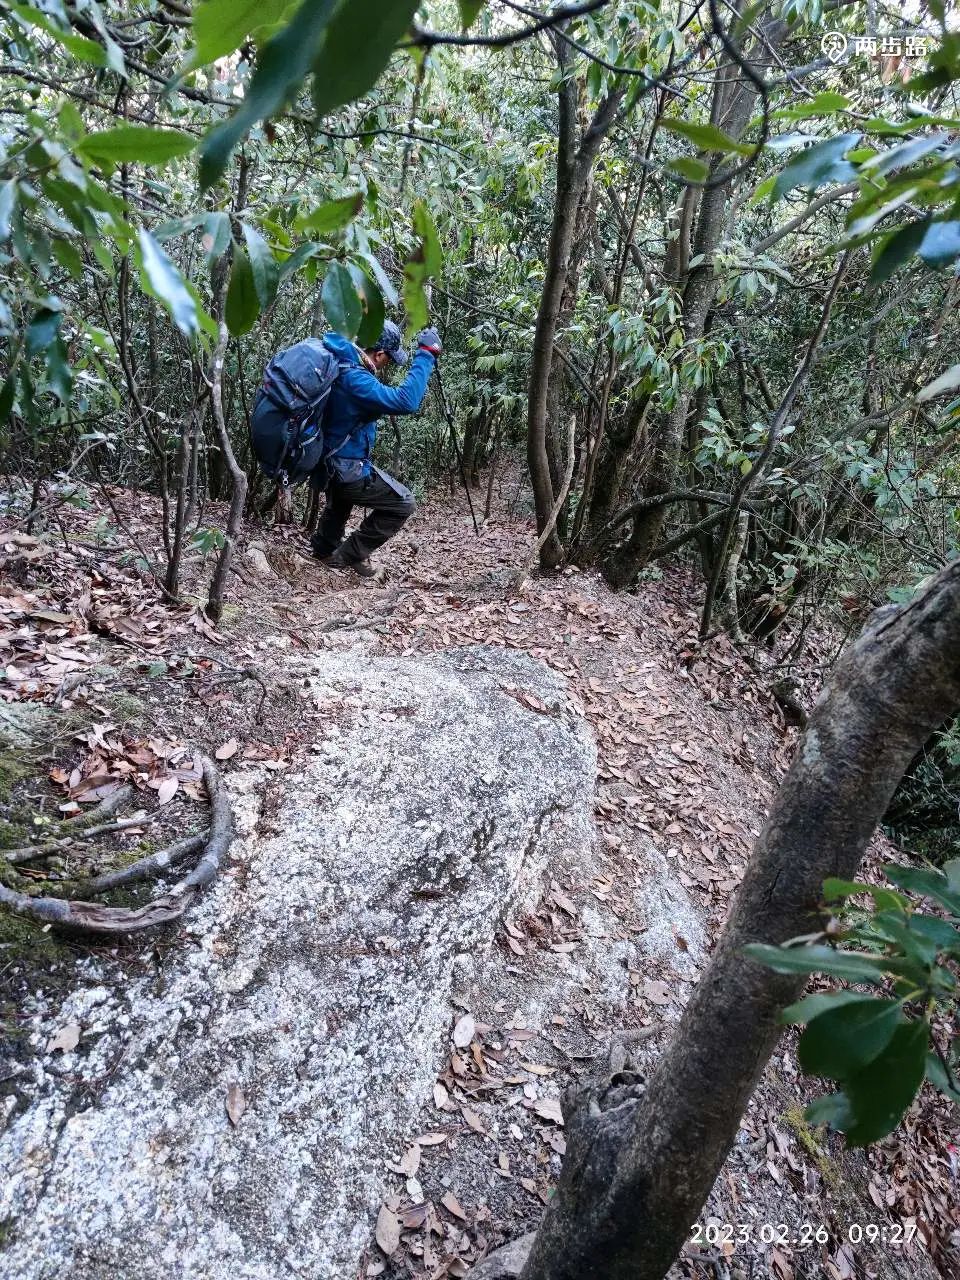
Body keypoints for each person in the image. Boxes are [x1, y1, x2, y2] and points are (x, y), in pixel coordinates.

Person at [310, 320, 441, 579]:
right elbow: (406, 401)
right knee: (403, 503)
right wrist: (426, 355)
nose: (388, 364)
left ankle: (324, 548)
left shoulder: (341, 364)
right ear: (379, 354)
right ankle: (346, 557)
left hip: (329, 462)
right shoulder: (355, 378)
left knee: (342, 499)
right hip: (344, 466)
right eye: (389, 358)